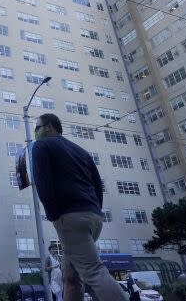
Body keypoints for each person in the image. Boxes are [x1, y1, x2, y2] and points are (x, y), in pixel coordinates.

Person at [31, 113, 129, 301]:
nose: (36, 132)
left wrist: (53, 216)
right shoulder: (80, 151)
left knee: (93, 271)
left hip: (69, 218)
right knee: (71, 277)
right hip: (93, 217)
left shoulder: (41, 146)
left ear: (49, 127)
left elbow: (43, 183)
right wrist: (94, 209)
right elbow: (97, 184)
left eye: (37, 127)